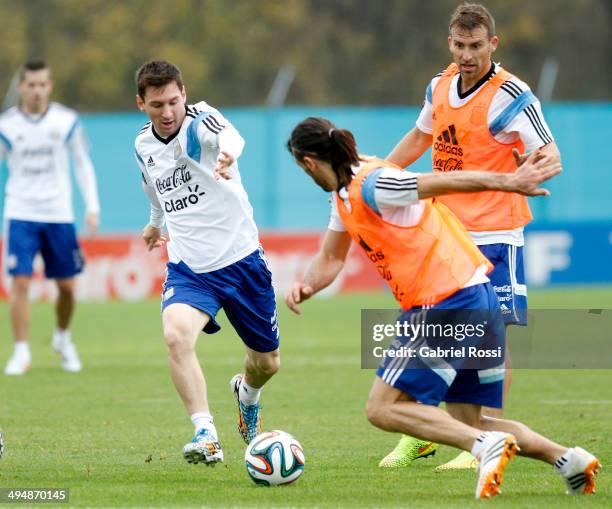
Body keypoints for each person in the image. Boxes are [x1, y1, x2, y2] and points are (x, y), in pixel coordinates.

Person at [285, 117, 599, 498]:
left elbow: (440, 181)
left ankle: (483, 446)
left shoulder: (375, 182)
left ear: (308, 162)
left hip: (445, 301)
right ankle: (569, 460)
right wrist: (307, 285)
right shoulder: (343, 195)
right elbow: (331, 257)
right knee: (469, 418)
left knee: (382, 409)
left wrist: (508, 183)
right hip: (473, 297)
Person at [380, 2, 561, 471]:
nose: (466, 55)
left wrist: (531, 165)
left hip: (497, 233)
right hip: (445, 234)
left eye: (476, 46)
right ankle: (423, 431)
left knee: (489, 337)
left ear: (492, 44)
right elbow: (420, 138)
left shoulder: (510, 95)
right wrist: (379, 176)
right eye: (459, 45)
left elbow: (551, 156)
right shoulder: (439, 85)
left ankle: (479, 434)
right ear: (449, 43)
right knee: (431, 331)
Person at [134, 60, 280, 465]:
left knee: (267, 363)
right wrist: (154, 224)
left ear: (184, 94)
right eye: (157, 104)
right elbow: (153, 187)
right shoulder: (142, 144)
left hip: (242, 261)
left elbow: (231, 136)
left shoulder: (201, 120)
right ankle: (206, 434)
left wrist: (229, 156)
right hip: (189, 267)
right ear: (141, 103)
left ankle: (247, 395)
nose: (167, 112)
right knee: (177, 336)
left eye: (174, 101)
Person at [0, 60, 100, 375]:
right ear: (20, 87)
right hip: (20, 212)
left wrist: (92, 206)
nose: (37, 90)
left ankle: (62, 338)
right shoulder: (6, 126)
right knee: (20, 282)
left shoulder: (66, 121)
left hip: (59, 214)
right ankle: (21, 352)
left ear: (50, 86)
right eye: (31, 85)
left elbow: (82, 163)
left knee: (68, 287)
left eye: (42, 84)